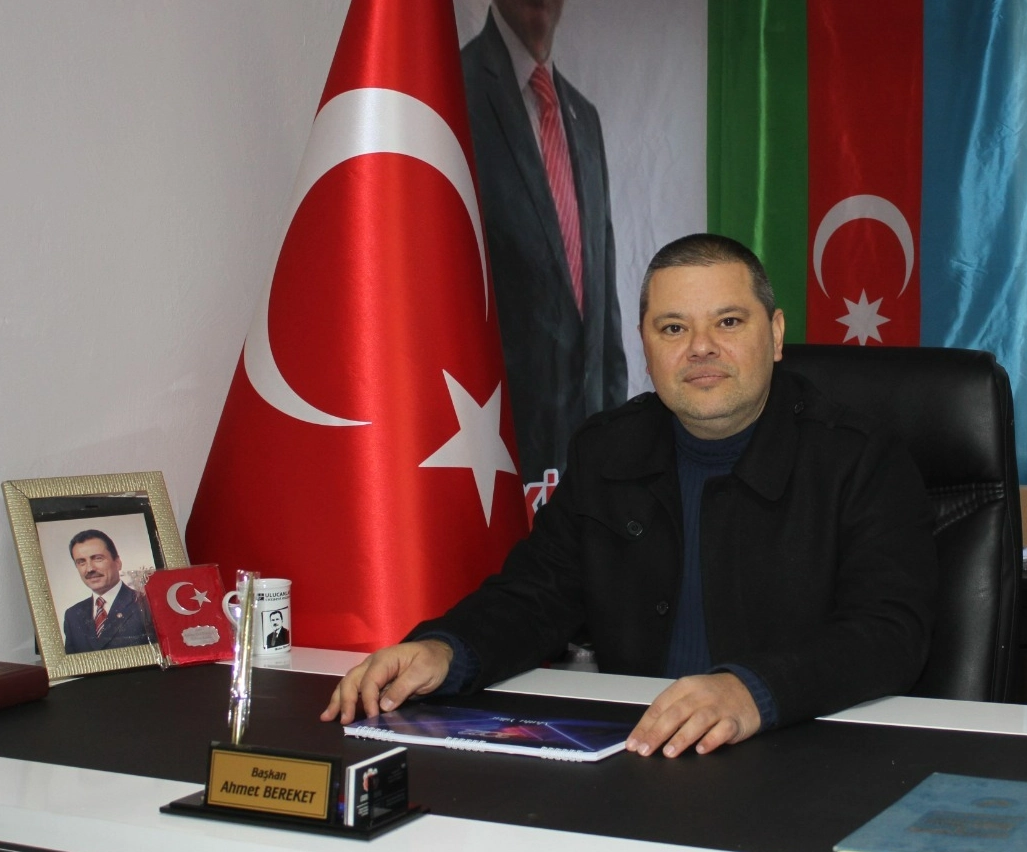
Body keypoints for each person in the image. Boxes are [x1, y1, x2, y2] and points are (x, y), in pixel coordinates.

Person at [323, 234, 938, 758]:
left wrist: (751, 691)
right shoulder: (609, 449)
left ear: (775, 335)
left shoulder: (860, 455)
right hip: (636, 751)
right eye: (673, 328)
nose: (701, 347)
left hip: (802, 749)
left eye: (728, 322)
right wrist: (446, 650)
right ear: (645, 345)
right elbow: (537, 595)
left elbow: (890, 632)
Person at [461, 0, 627, 485]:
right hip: (488, 459)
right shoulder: (451, 92)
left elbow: (602, 304)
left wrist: (615, 433)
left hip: (584, 461)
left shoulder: (583, 117)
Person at [61, 529, 149, 654]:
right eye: (81, 562)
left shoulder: (146, 605)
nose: (90, 569)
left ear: (117, 563)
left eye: (98, 558)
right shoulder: (73, 615)